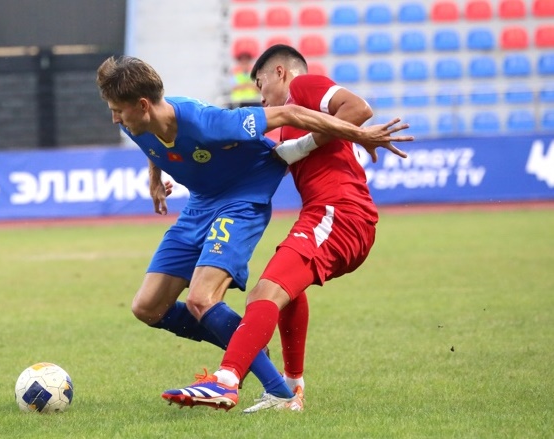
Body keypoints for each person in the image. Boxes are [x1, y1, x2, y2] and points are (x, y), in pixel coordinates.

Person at [96, 55, 411, 409]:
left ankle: (260, 384)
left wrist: (360, 134)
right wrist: (155, 179)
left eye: (118, 111)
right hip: (199, 206)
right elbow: (153, 144)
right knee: (147, 307)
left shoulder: (210, 121)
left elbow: (290, 114)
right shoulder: (135, 123)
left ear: (142, 105)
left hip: (241, 202)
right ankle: (248, 344)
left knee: (203, 298)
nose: (114, 118)